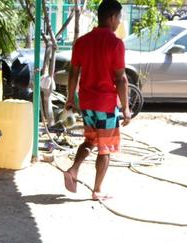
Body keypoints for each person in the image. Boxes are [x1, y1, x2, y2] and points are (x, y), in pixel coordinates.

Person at [63, 0, 132, 201]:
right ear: (111, 18)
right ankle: (98, 190)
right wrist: (126, 108)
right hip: (106, 104)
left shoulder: (82, 42)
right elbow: (121, 78)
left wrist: (70, 98)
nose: (119, 22)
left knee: (90, 140)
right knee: (106, 148)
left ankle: (73, 170)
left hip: (86, 103)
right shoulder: (115, 43)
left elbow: (73, 72)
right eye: (119, 17)